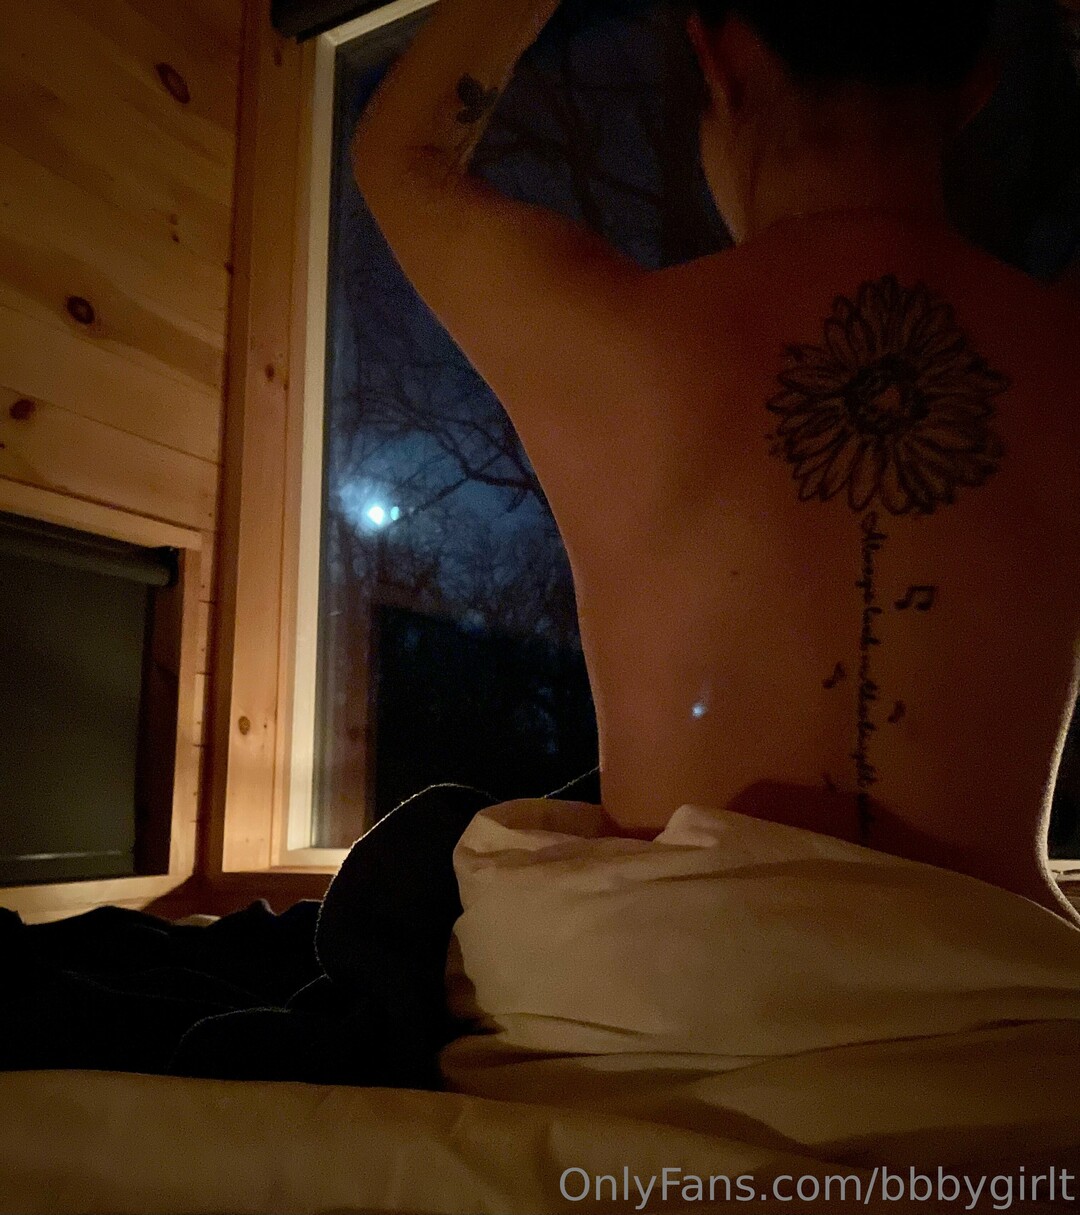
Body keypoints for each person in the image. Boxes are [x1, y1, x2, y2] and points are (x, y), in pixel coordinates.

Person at [351, 0, 1080, 927]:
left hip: (665, 981)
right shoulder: (1065, 353)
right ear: (980, 86)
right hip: (999, 983)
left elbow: (400, 158)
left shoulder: (618, 341)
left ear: (719, 58)